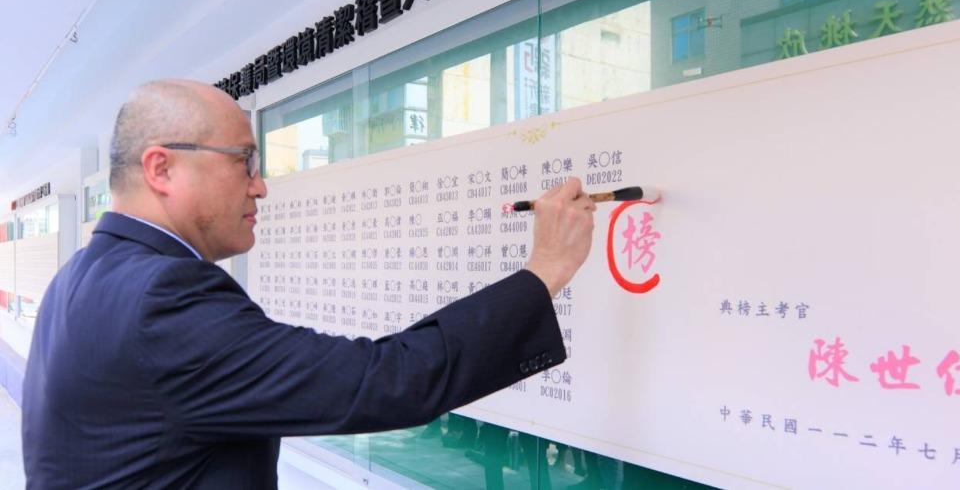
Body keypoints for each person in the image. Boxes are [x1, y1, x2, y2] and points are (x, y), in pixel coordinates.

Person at [21, 79, 596, 488]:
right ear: (161, 168)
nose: (260, 186)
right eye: (244, 161)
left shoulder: (81, 275)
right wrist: (545, 271)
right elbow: (384, 380)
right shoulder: (163, 299)